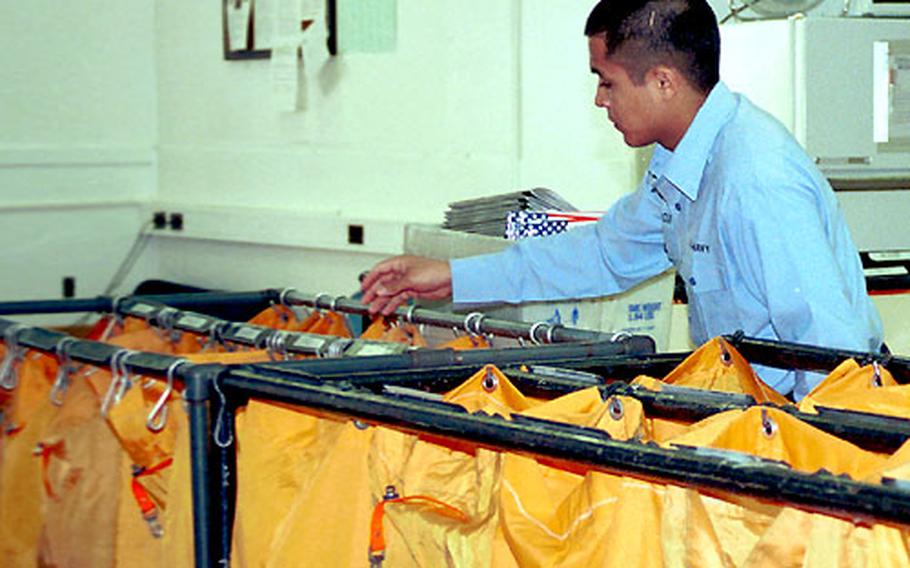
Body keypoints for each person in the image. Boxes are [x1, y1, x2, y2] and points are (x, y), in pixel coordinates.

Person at [361, 0, 883, 399]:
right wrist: (451, 275)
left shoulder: (756, 178)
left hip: (805, 425)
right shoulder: (680, 163)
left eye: (606, 82)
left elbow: (832, 356)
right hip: (752, 414)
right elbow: (602, 254)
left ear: (662, 82)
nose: (599, 99)